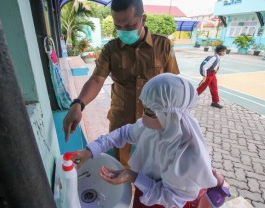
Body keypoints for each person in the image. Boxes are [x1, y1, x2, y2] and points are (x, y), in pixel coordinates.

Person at [72, 74, 224, 208]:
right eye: (145, 107)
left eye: (150, 111)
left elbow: (172, 199)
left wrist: (133, 176)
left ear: (170, 116)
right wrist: (91, 150)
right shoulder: (155, 127)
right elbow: (123, 133)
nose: (143, 115)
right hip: (144, 191)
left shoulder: (187, 153)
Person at [63, 0, 179, 167]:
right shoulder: (111, 49)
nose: (125, 31)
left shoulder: (163, 45)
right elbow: (97, 79)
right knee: (119, 166)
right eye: (119, 26)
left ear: (143, 20)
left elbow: (173, 84)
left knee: (154, 166)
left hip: (155, 120)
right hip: (121, 119)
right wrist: (78, 104)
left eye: (131, 25)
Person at [197, 45, 227, 109]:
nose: (225, 52)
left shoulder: (218, 57)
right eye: (224, 51)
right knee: (201, 88)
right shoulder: (214, 58)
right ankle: (189, 99)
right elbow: (204, 67)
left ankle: (215, 102)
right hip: (209, 75)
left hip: (213, 75)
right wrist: (205, 76)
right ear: (220, 51)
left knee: (214, 88)